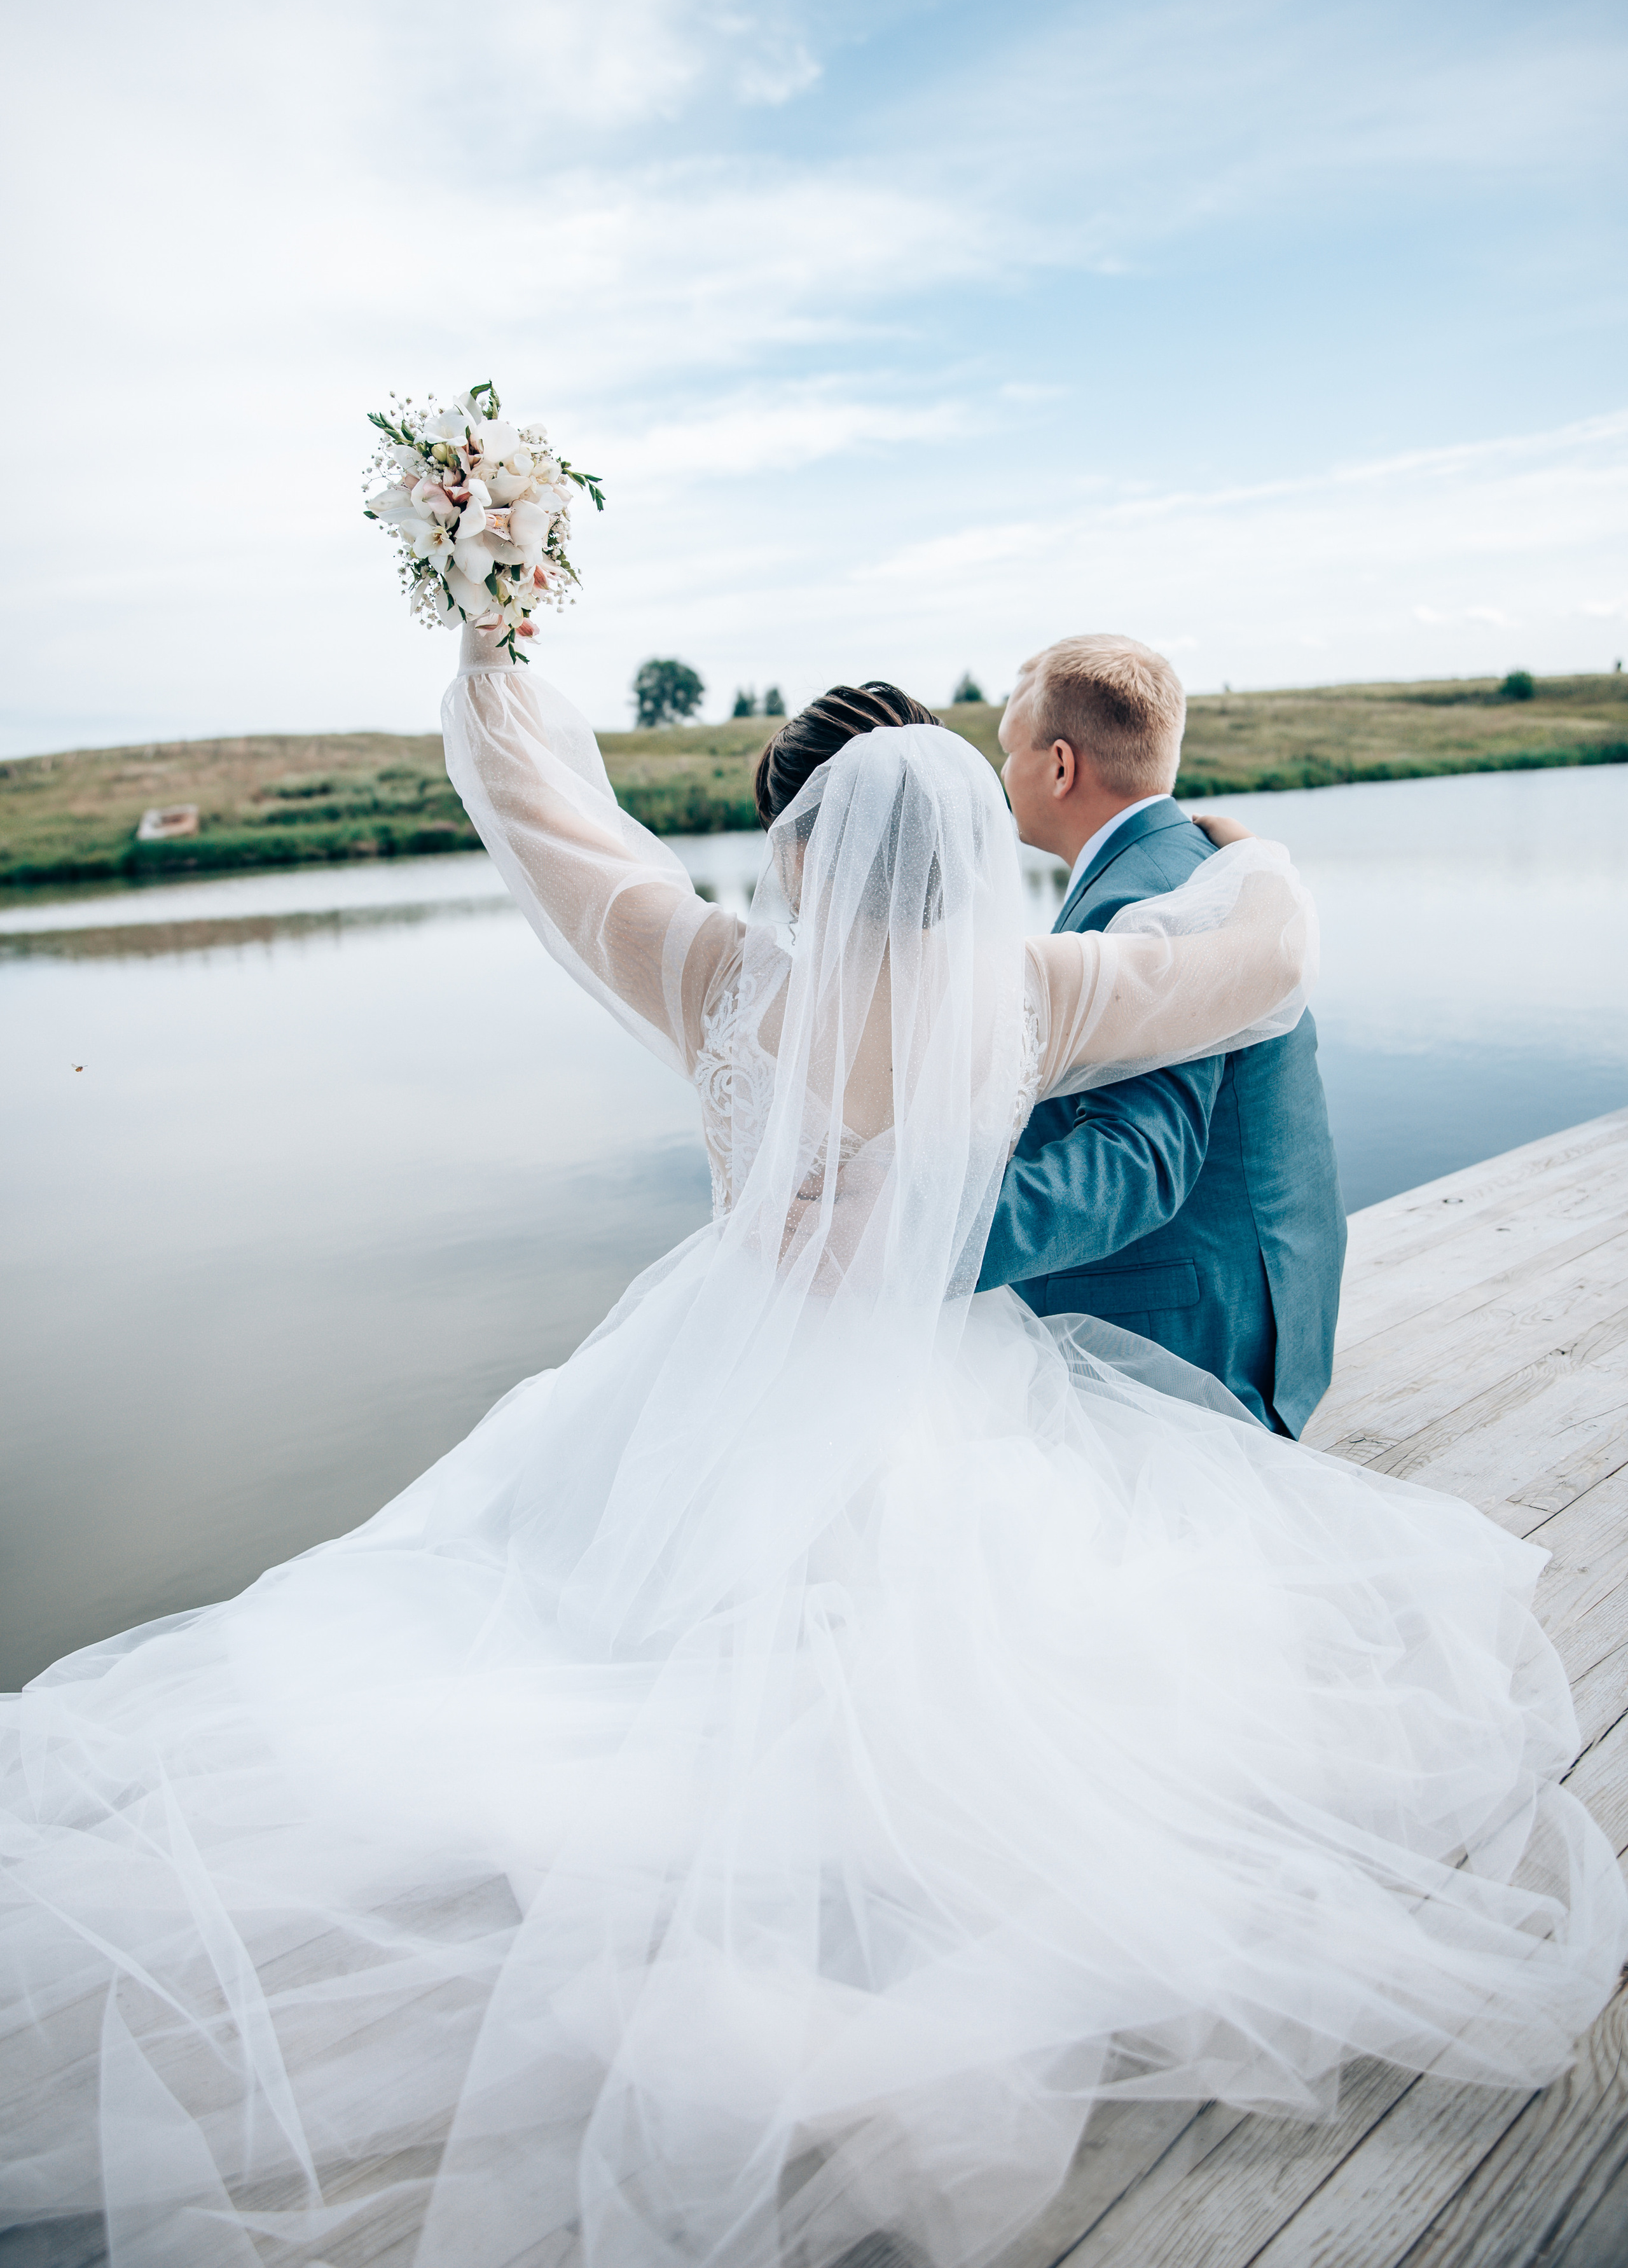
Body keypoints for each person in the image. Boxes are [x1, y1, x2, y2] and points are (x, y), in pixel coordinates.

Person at [0, 630, 1621, 2268]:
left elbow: (562, 841)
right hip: (939, 1377)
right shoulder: (1034, 993)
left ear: (793, 841)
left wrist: (494, 664)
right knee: (990, 1621)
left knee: (557, 1593)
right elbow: (1240, 954)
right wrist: (1247, 852)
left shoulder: (713, 973)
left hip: (719, 1376)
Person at [980, 635, 1344, 1434]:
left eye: (1008, 752)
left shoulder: (1138, 909)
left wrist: (920, 1237)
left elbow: (1137, 1160)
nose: (1001, 775)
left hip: (1195, 1343)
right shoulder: (1195, 865)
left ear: (1061, 766)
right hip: (1268, 1294)